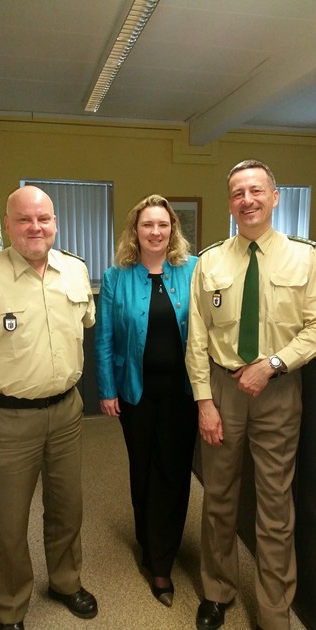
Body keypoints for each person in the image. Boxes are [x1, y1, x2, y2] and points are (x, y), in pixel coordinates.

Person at [186, 159, 316, 630]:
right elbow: (197, 337)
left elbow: (315, 328)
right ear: (230, 203)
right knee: (219, 497)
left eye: (257, 190)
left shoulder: (307, 259)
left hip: (278, 392)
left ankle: (275, 611)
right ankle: (217, 591)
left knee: (276, 507)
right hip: (223, 390)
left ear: (275, 197)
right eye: (239, 192)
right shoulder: (210, 261)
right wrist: (204, 402)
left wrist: (275, 364)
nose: (248, 199)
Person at [0, 186, 98, 630]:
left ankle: (64, 581)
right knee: (9, 521)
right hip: (10, 419)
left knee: (67, 508)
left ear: (55, 222)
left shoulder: (75, 271)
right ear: (7, 225)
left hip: (67, 413)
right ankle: (10, 608)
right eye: (24, 219)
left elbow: (85, 326)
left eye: (44, 219)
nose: (35, 227)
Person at [95, 194, 198, 607]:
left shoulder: (193, 270)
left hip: (183, 394)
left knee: (174, 474)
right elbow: (104, 338)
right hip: (135, 393)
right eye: (147, 225)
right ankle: (147, 541)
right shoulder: (116, 276)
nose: (156, 232)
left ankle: (163, 560)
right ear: (134, 231)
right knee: (143, 470)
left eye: (163, 224)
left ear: (172, 229)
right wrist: (106, 389)